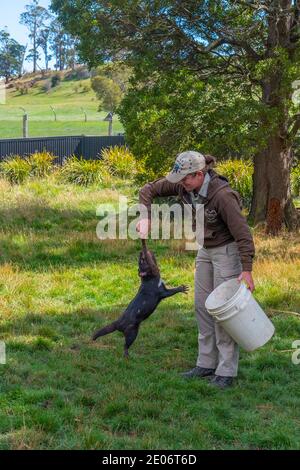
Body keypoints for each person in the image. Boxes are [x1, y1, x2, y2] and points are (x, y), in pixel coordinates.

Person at [136, 151, 255, 389]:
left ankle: (226, 372)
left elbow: (243, 234)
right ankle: (206, 363)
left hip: (227, 252)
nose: (180, 184)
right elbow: (147, 190)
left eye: (185, 179)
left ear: (199, 174)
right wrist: (146, 217)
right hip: (205, 249)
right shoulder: (184, 185)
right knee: (202, 306)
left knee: (222, 312)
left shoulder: (222, 196)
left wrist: (247, 269)